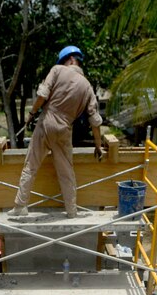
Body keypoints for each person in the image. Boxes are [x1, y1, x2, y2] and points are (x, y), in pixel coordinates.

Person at [12, 46, 104, 219]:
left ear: (69, 59)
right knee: (66, 173)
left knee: (31, 165)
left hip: (46, 121)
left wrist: (31, 114)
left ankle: (20, 205)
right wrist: (98, 146)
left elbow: (42, 95)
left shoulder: (57, 70)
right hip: (64, 129)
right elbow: (95, 121)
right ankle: (71, 211)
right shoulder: (87, 87)